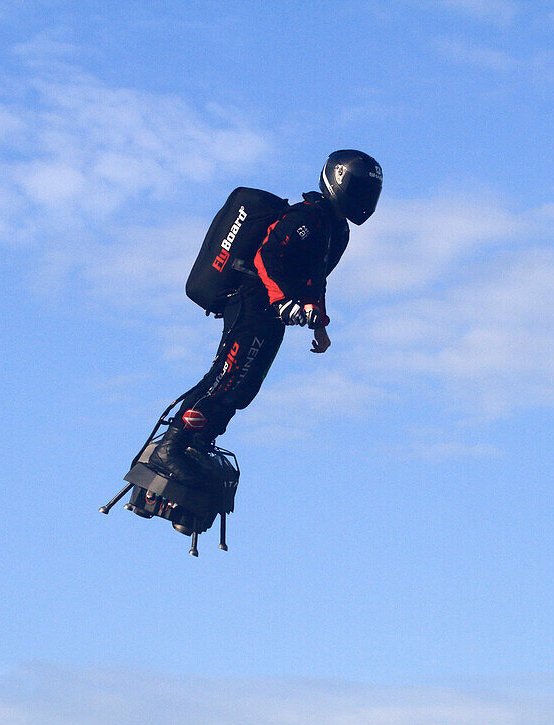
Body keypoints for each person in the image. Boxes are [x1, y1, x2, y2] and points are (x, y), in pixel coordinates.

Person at [148, 149, 383, 484]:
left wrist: (320, 324)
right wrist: (282, 300)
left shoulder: (337, 230)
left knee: (244, 386)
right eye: (359, 188)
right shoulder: (308, 216)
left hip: (275, 314)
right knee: (227, 375)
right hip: (253, 301)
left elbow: (317, 277)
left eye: (369, 193)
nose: (363, 198)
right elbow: (267, 257)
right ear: (338, 181)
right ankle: (170, 447)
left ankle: (199, 441)